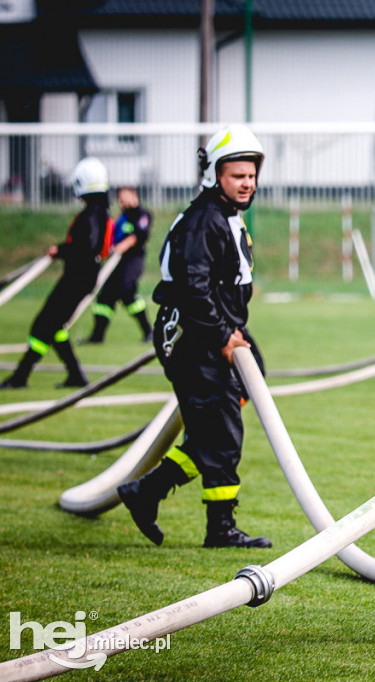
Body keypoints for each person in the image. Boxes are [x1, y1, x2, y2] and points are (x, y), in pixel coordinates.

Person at [117, 124, 272, 549]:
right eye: (237, 175)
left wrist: (232, 330)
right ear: (215, 175)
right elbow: (193, 286)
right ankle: (212, 523)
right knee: (220, 433)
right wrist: (223, 333)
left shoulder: (223, 216)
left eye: (251, 175)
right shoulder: (205, 220)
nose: (247, 183)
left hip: (210, 332)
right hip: (194, 339)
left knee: (221, 421)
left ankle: (148, 493)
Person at [0, 157, 111, 389]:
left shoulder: (91, 215)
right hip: (80, 278)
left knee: (43, 325)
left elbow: (85, 248)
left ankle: (21, 377)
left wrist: (60, 250)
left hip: (77, 279)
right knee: (53, 326)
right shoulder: (99, 213)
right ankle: (74, 375)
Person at [84, 186, 153, 344]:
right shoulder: (122, 217)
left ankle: (149, 331)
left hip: (133, 260)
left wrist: (123, 246)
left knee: (126, 290)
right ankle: (97, 336)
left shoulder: (142, 214)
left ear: (133, 195)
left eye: (123, 197)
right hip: (116, 262)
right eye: (119, 198)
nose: (120, 201)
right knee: (105, 298)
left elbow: (139, 235)